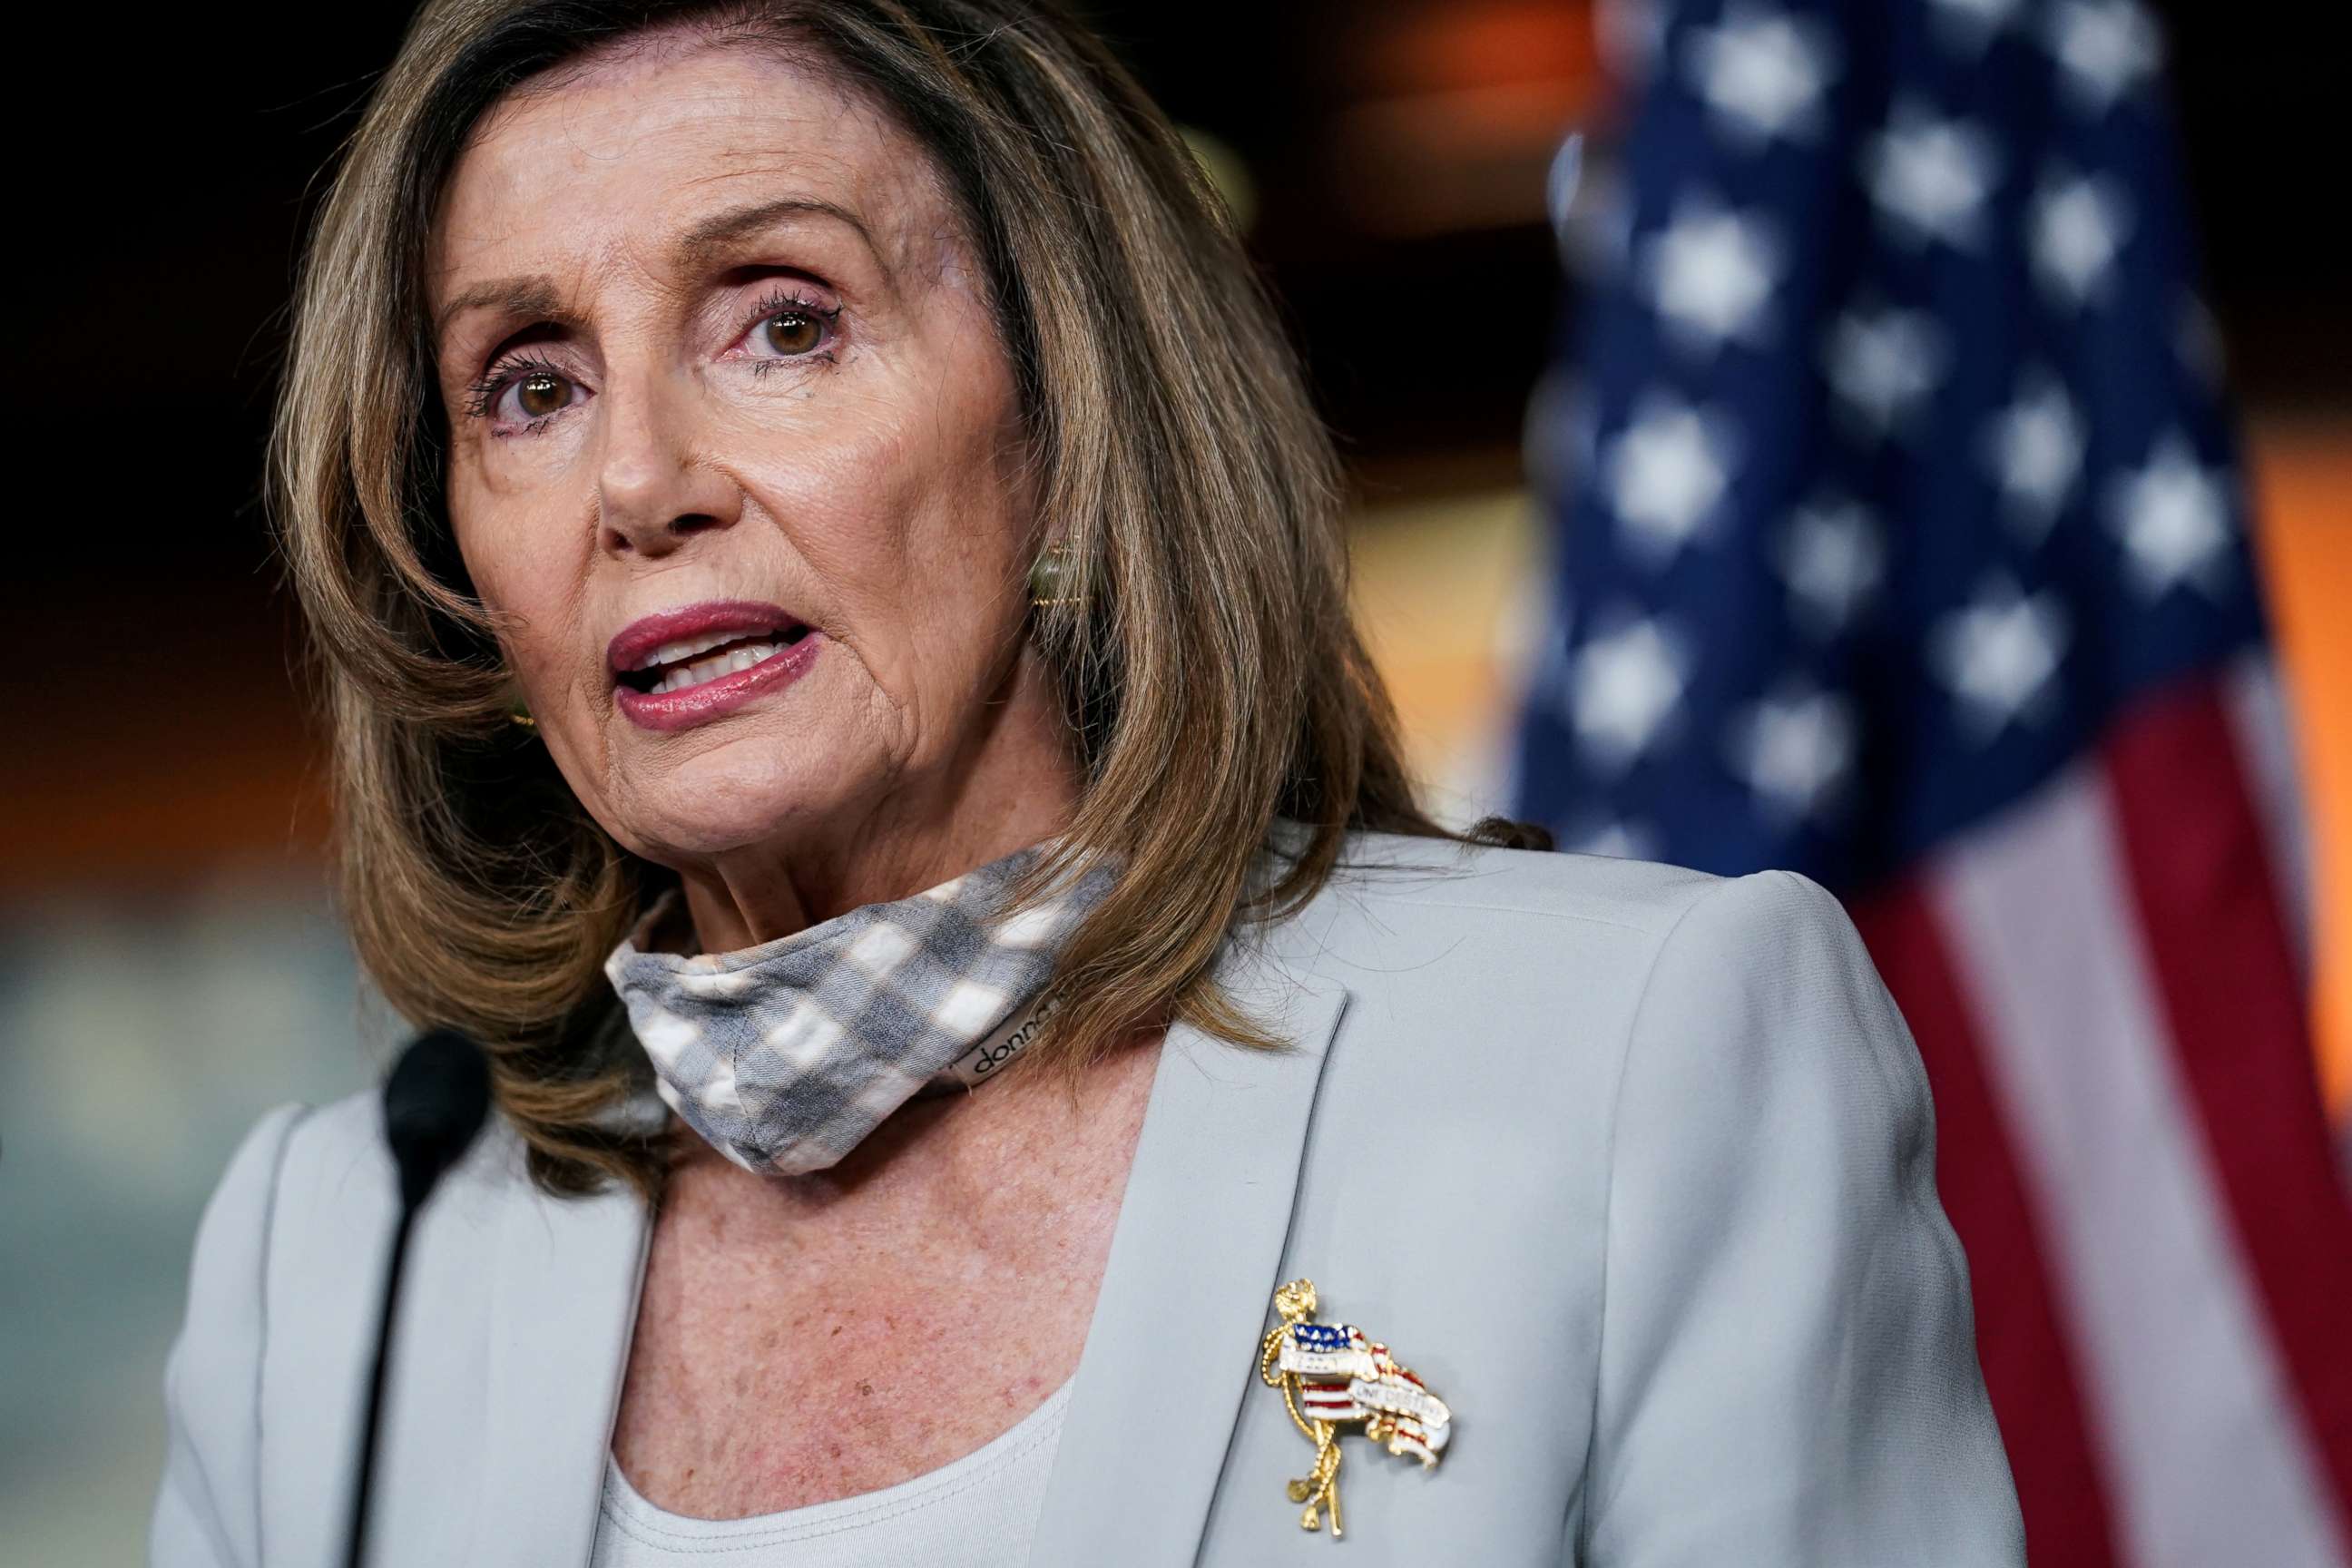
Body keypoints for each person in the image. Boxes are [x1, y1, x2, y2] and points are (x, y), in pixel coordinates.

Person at [148, 2, 2026, 1563]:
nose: (640, 480)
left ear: (1064, 419)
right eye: (530, 385)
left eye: (784, 319)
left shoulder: (1638, 1054)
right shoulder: (336, 1253)